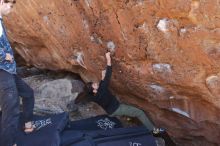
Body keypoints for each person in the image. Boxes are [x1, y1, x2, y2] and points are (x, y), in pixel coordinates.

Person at [78, 52, 157, 132]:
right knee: (139, 112)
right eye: (94, 85)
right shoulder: (102, 89)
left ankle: (128, 118)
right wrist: (108, 58)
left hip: (110, 112)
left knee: (126, 109)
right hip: (117, 108)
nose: (95, 83)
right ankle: (154, 131)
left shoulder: (93, 96)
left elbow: (102, 87)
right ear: (94, 90)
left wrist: (102, 79)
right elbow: (108, 74)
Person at [0, 0, 35, 146]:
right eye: (10, 5)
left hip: (9, 71)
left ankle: (27, 123)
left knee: (28, 93)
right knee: (12, 110)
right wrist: (4, 56)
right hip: (2, 71)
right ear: (2, 2)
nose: (11, 8)